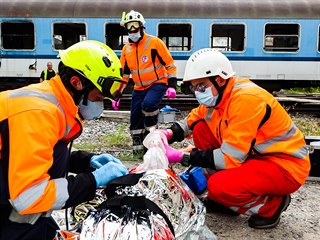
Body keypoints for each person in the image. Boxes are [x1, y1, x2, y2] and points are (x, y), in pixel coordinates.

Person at [161, 48, 310, 229]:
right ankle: (227, 200)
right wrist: (167, 134)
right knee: (201, 128)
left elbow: (228, 158)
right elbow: (192, 120)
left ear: (220, 79)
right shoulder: (219, 97)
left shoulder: (246, 100)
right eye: (193, 87)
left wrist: (182, 157)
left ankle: (272, 207)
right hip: (256, 157)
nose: (197, 92)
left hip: (285, 165)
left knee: (218, 186)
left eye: (200, 86)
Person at [0, 40, 128, 240]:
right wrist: (93, 180)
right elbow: (27, 197)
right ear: (77, 83)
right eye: (99, 97)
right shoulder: (38, 113)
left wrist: (85, 161)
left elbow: (40, 154)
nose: (101, 104)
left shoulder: (52, 103)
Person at [117, 10, 178, 154]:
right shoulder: (126, 49)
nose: (133, 30)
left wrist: (172, 85)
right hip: (139, 87)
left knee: (149, 105)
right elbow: (125, 74)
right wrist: (118, 92)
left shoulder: (155, 43)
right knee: (135, 118)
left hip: (158, 83)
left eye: (135, 26)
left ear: (142, 26)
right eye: (129, 26)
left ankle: (151, 135)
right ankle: (138, 151)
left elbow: (169, 64)